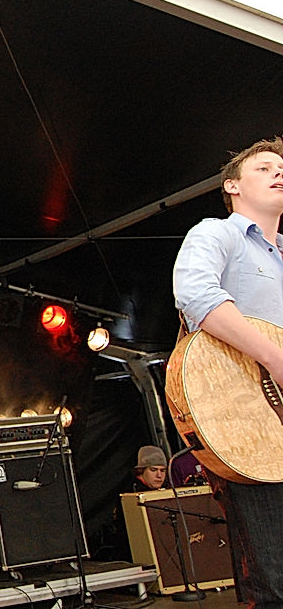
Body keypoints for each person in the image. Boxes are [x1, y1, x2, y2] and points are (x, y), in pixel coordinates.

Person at [173, 136, 283, 609]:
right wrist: (275, 359)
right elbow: (196, 295)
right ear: (233, 186)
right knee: (275, 577)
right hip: (248, 427)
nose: (280, 171)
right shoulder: (216, 233)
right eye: (265, 167)